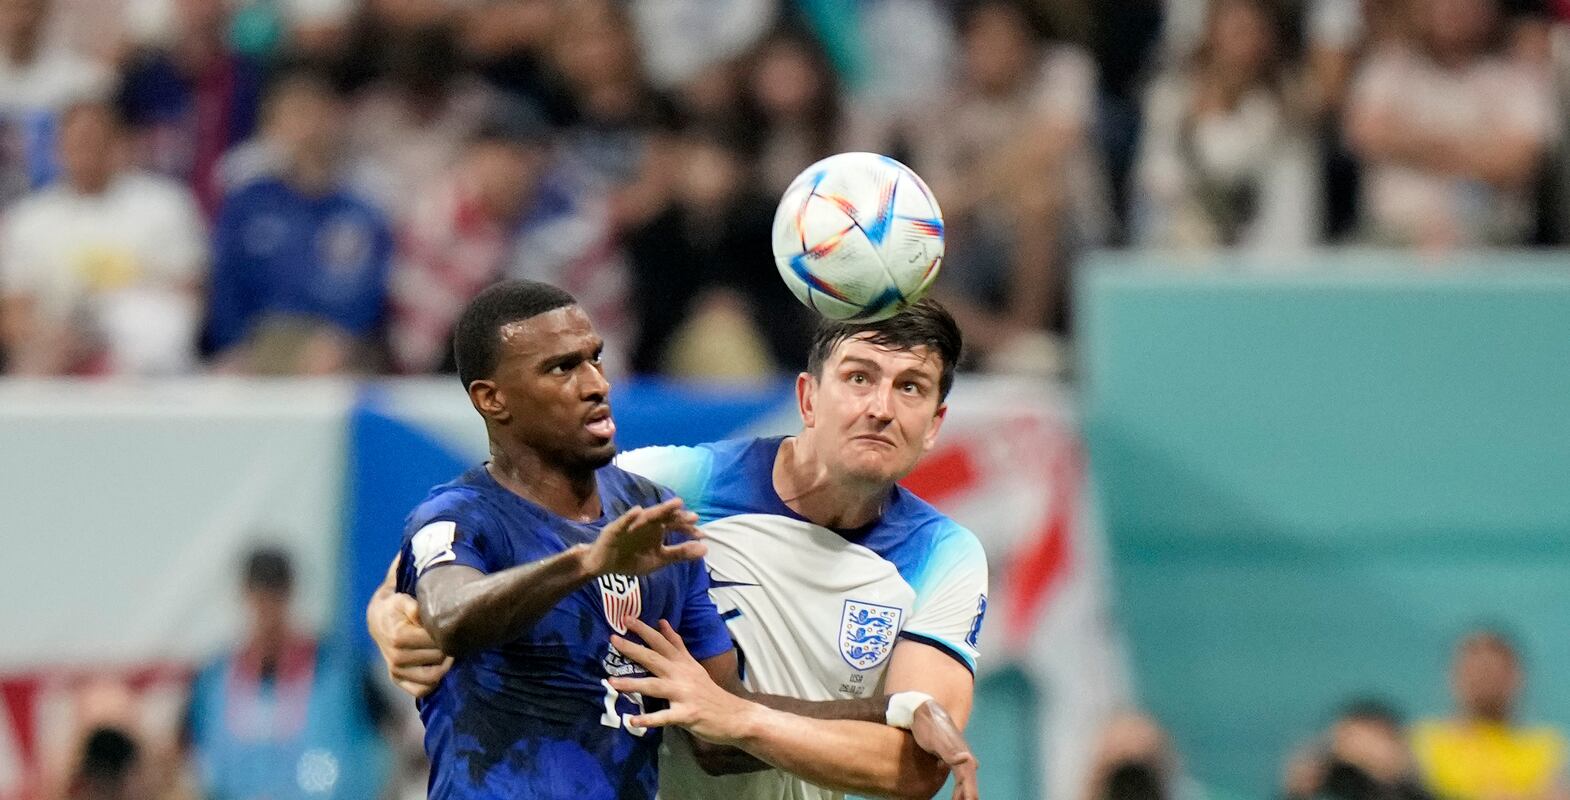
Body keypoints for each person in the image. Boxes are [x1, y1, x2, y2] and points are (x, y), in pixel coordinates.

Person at [371, 288, 986, 800]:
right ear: (807, 398)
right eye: (859, 378)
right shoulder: (679, 488)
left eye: (910, 387)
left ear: (936, 421)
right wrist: (392, 612)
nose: (881, 408)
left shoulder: (945, 556)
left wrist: (895, 709)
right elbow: (443, 566)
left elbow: (907, 766)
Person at [204, 66, 393, 373]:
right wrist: (233, 344)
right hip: (257, 340)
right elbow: (225, 282)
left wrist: (340, 339)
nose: (307, 129)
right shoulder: (247, 204)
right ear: (272, 127)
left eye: (315, 114)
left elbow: (369, 290)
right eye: (294, 116)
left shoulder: (361, 210)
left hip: (335, 345)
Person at [0, 100, 207, 375]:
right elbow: (13, 314)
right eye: (77, 142)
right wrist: (63, 340)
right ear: (57, 149)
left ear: (117, 143)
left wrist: (109, 333)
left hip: (142, 356)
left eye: (95, 140)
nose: (87, 152)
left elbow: (189, 297)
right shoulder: (29, 219)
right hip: (56, 356)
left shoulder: (165, 204)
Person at [183, 546, 391, 800]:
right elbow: (179, 754)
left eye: (275, 596)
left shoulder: (342, 671)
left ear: (290, 594)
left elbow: (394, 736)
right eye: (259, 597)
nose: (266, 610)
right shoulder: (213, 680)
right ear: (245, 596)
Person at [1410, 630, 1569, 800]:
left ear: (1518, 677)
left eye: (1493, 670)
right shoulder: (1423, 741)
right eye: (1476, 670)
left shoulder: (1547, 747)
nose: (1485, 679)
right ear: (1452, 676)